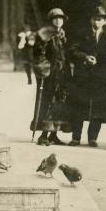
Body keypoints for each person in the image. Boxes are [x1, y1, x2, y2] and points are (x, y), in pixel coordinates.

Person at [68, 6, 106, 147]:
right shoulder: (81, 34)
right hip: (83, 76)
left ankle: (92, 138)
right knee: (79, 105)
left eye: (99, 19)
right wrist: (85, 57)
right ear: (90, 19)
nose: (96, 22)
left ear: (104, 21)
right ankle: (76, 137)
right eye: (94, 19)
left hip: (100, 77)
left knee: (98, 107)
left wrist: (98, 60)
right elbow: (72, 50)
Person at [30, 8, 72, 146]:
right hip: (49, 74)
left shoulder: (62, 34)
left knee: (60, 102)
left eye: (61, 18)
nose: (58, 21)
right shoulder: (44, 34)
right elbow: (38, 54)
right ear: (51, 20)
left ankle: (54, 134)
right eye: (56, 18)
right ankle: (43, 135)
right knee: (48, 102)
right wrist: (44, 68)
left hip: (61, 73)